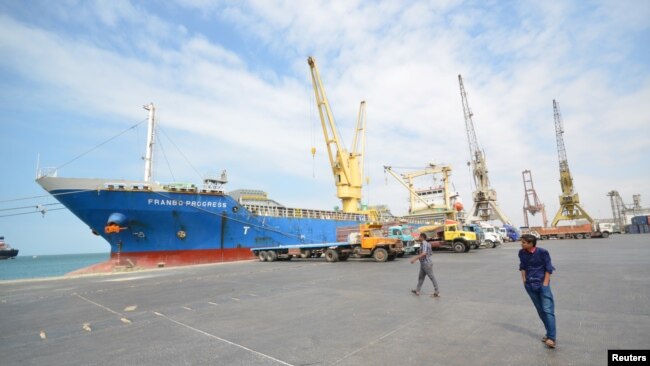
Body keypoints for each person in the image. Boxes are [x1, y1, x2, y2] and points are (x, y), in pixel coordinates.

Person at [519, 233, 557, 348]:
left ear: (531, 243)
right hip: (530, 286)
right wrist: (524, 281)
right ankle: (549, 333)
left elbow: (548, 268)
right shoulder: (521, 253)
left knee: (547, 310)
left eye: (524, 242)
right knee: (540, 311)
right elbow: (523, 267)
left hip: (542, 285)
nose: (522, 244)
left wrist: (545, 284)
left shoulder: (542, 252)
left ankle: (551, 338)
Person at [410, 233, 440, 297]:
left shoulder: (424, 243)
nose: (418, 238)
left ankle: (437, 291)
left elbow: (424, 253)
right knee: (421, 277)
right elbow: (430, 253)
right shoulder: (427, 244)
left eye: (419, 236)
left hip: (426, 264)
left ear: (422, 237)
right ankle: (417, 290)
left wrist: (415, 259)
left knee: (432, 277)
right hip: (424, 263)